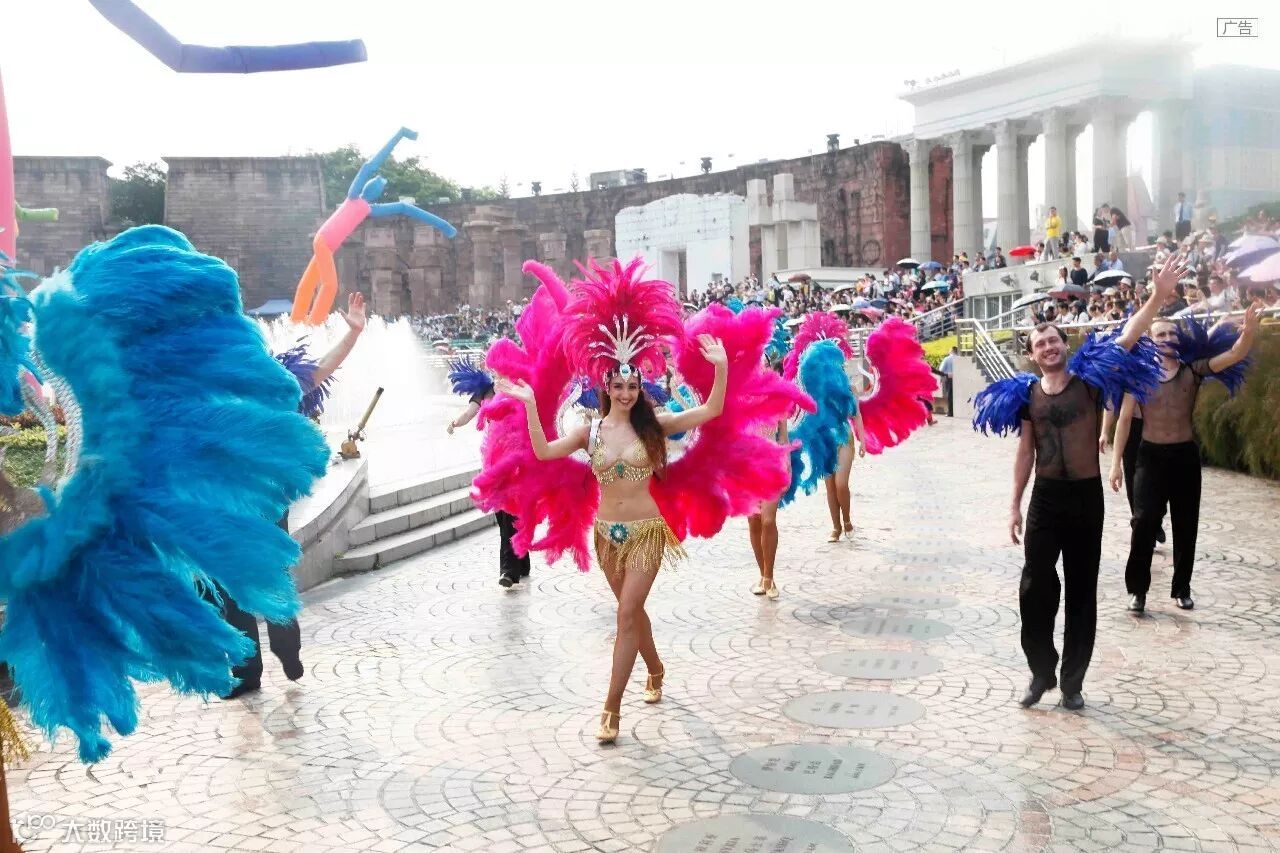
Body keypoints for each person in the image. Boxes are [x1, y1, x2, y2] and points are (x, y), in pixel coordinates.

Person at [972, 256, 1182, 711]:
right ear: (1032, 354)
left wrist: (1157, 297)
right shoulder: (1028, 396)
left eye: (1053, 339)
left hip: (1086, 499)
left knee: (1082, 590)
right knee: (1034, 586)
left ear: (1064, 344)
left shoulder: (1089, 383)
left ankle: (1072, 682)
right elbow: (1025, 452)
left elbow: (1127, 339)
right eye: (1040, 343)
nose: (1048, 347)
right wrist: (1014, 505)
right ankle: (1041, 671)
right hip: (1046, 499)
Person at [221, 292, 367, 700]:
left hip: (267, 498)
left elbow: (318, 371)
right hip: (226, 501)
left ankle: (288, 651)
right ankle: (245, 672)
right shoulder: (212, 394)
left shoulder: (273, 388)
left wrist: (352, 333)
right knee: (231, 586)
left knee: (272, 577)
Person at [1109, 306, 1262, 612]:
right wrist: (1115, 465)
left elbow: (1233, 355)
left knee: (1186, 524)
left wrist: (1247, 332)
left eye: (1171, 333)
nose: (1167, 337)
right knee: (1144, 522)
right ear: (1150, 340)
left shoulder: (1193, 370)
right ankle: (1137, 590)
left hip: (1184, 457)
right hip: (1150, 457)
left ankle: (1182, 588)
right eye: (1160, 334)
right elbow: (1124, 420)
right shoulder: (1140, 375)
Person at [446, 359, 530, 588]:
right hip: (493, 458)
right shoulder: (486, 390)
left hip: (515, 459)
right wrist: (455, 422)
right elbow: (470, 412)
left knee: (510, 512)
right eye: (496, 366)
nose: (500, 371)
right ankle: (521, 560)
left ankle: (509, 571)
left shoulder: (519, 389)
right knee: (502, 513)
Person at [938, 346, 957, 416]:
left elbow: (941, 370)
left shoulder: (947, 359)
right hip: (958, 379)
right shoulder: (959, 358)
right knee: (956, 396)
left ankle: (950, 412)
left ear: (951, 351)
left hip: (948, 378)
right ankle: (957, 411)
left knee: (949, 395)